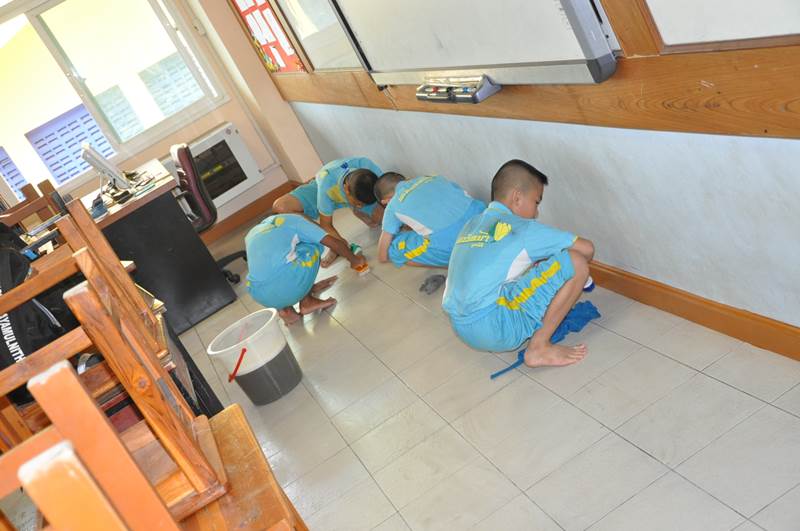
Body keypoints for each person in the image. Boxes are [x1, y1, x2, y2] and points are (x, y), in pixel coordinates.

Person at [442, 159, 595, 367]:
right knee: (576, 263)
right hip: (495, 327)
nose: (536, 212)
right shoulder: (523, 228)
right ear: (517, 197)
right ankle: (539, 348)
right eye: (536, 202)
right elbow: (587, 249)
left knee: (528, 268)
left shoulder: (473, 223)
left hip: (460, 325)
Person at [245, 213, 366, 325]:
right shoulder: (292, 220)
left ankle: (285, 310)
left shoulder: (252, 233)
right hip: (284, 286)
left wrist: (310, 287)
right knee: (311, 244)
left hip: (259, 294)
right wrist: (355, 260)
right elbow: (332, 242)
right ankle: (307, 302)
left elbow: (268, 267)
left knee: (280, 259)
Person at [271, 157, 383, 266]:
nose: (360, 206)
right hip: (320, 189)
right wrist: (342, 247)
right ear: (346, 190)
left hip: (355, 192)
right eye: (358, 204)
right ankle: (335, 247)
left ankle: (358, 210)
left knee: (376, 221)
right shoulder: (326, 183)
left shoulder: (366, 166)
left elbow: (389, 194)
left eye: (362, 205)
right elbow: (326, 225)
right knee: (281, 207)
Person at [374, 173, 486, 269]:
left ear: (385, 201)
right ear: (406, 179)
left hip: (456, 244)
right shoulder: (433, 177)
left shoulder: (392, 205)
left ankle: (456, 267)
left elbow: (382, 256)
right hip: (484, 223)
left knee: (394, 250)